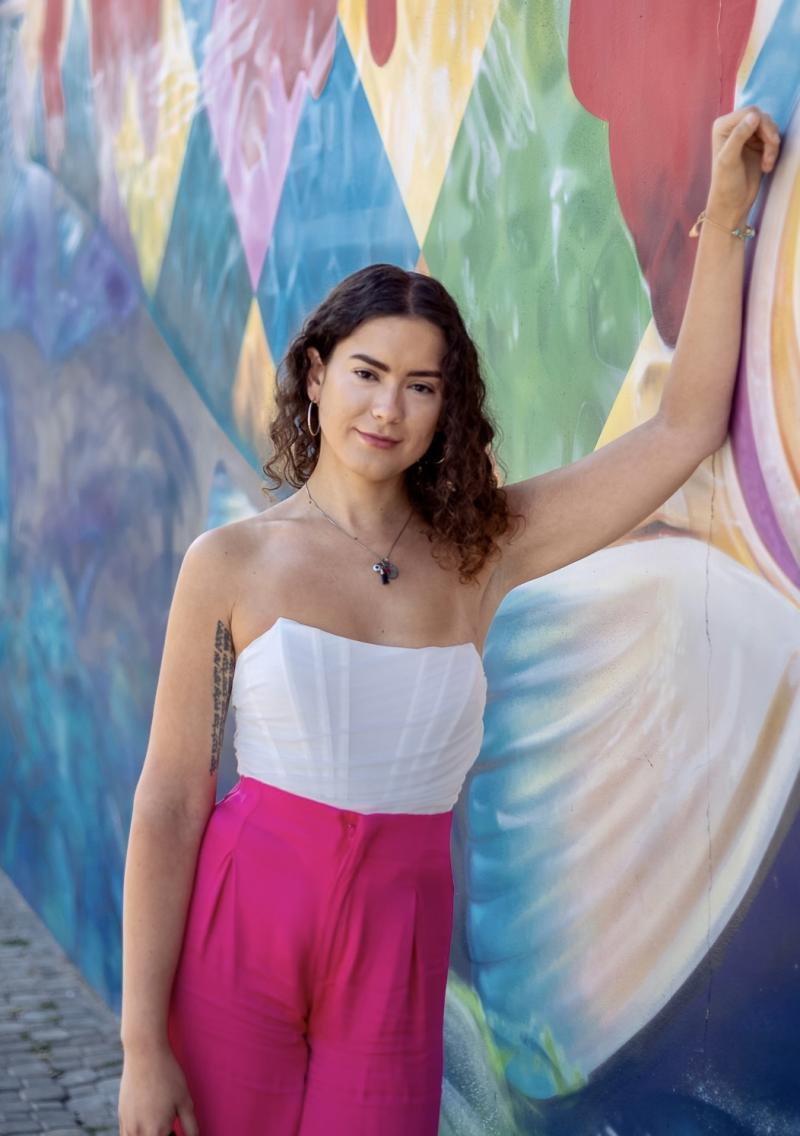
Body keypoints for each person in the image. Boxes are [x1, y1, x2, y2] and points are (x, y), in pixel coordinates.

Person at [117, 105, 780, 1136]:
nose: (386, 409)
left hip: (399, 929)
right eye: (366, 374)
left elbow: (683, 426)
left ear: (445, 409)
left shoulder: (484, 547)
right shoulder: (231, 563)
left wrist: (729, 212)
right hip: (241, 924)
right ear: (315, 375)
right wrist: (139, 1043)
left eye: (419, 386)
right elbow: (168, 800)